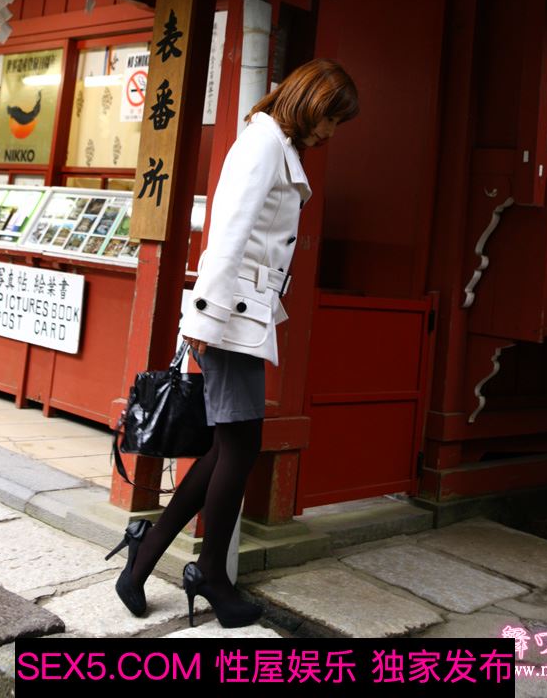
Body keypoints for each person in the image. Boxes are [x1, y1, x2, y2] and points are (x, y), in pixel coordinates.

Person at [106, 57, 359, 628]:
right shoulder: (263, 144)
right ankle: (209, 574)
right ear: (311, 104)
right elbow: (227, 234)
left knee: (229, 448)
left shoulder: (275, 144)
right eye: (331, 118)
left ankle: (145, 559)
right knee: (238, 447)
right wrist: (203, 320)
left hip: (241, 315)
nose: (331, 131)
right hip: (229, 317)